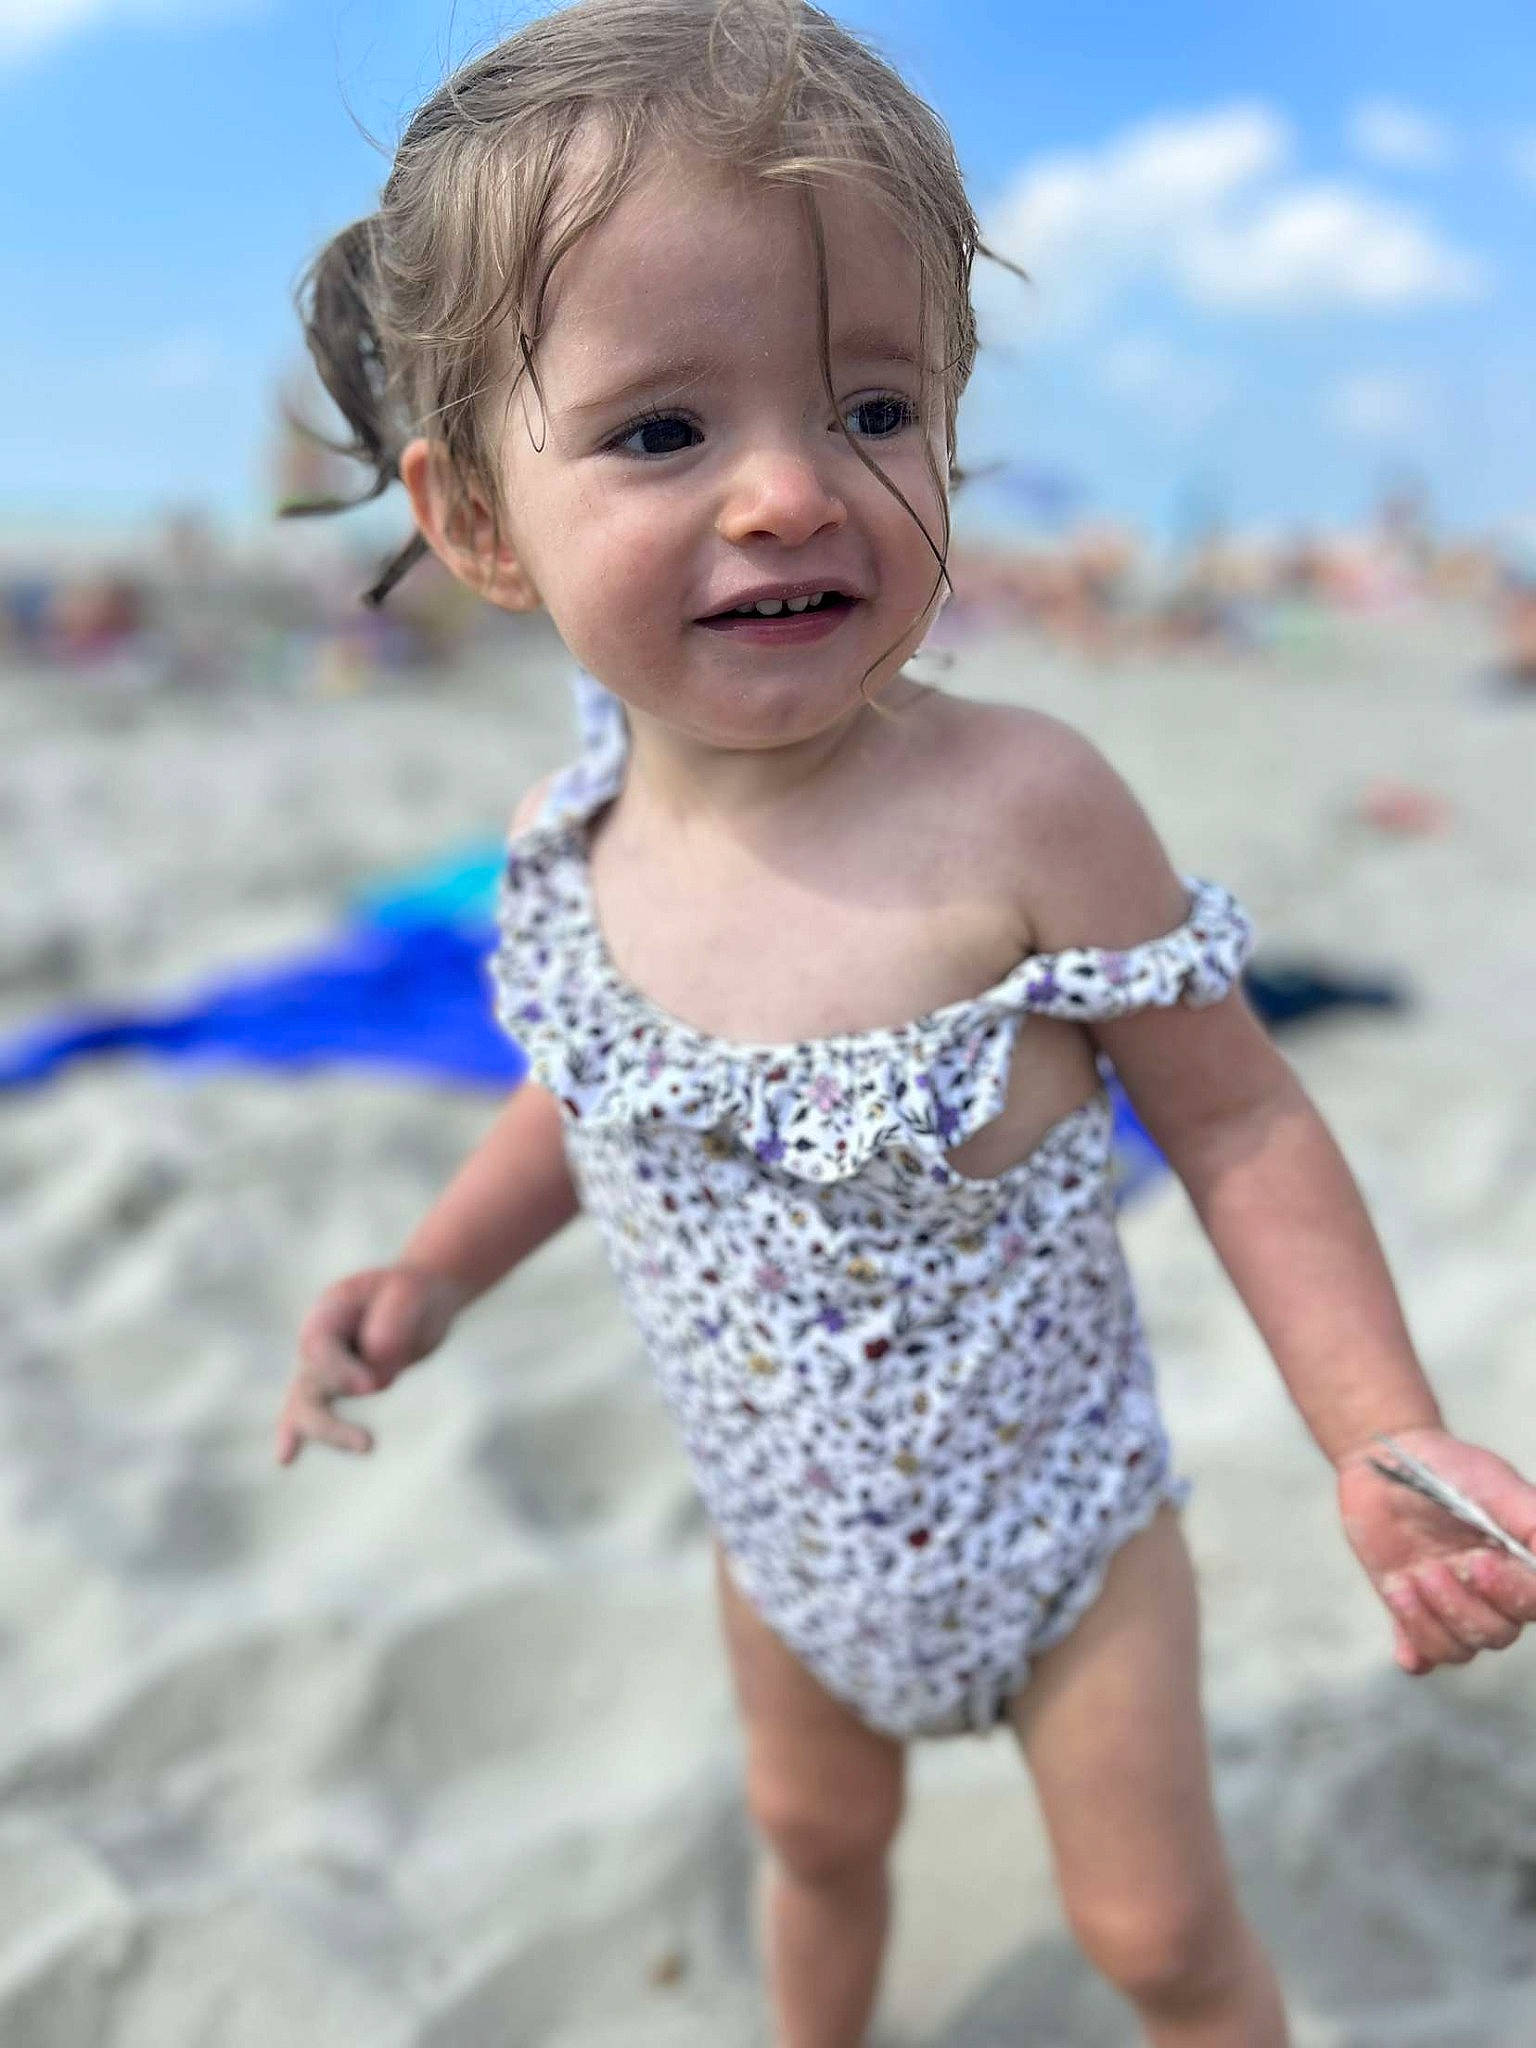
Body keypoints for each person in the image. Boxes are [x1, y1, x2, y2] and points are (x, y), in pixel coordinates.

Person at [273, 5, 1536, 2041]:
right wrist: (433, 1268)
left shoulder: (1025, 807)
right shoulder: (566, 837)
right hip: (782, 1543)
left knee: (1156, 1931)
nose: (789, 491)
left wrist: (1374, 1428)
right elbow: (581, 1101)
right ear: (479, 519)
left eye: (871, 405)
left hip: (1068, 1546)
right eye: (664, 431)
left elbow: (1237, 1122)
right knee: (813, 1850)